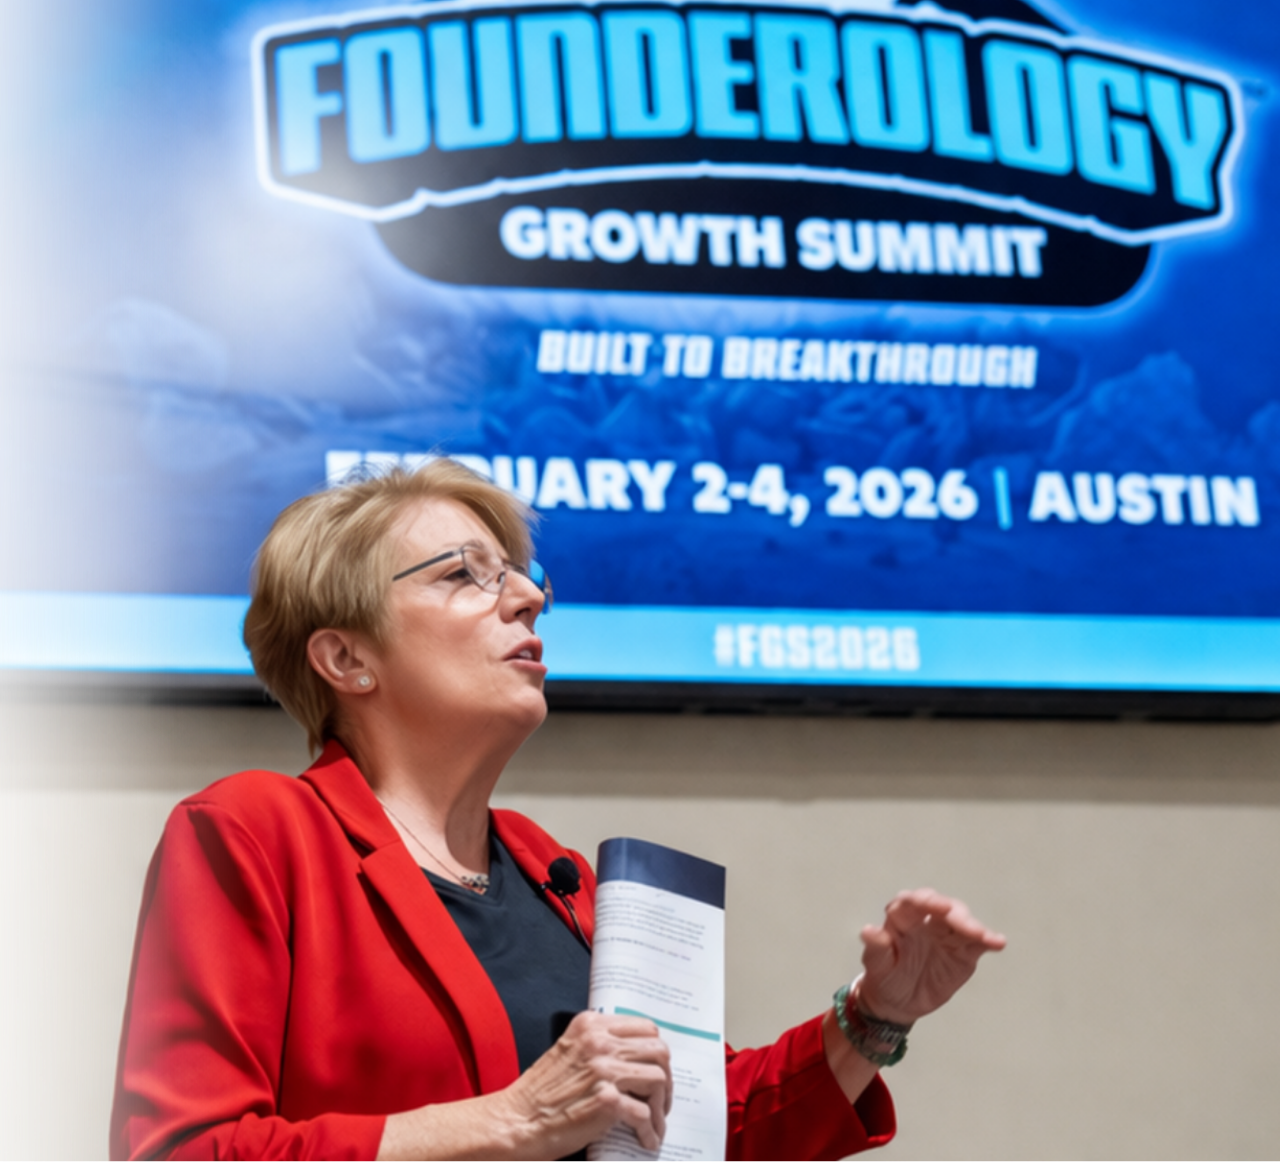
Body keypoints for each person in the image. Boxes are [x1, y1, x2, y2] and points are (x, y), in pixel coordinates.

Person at [110, 460, 1005, 1162]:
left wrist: (876, 1014)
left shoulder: (555, 871)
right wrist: (509, 1123)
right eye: (464, 574)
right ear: (347, 659)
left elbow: (698, 1131)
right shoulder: (256, 834)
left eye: (523, 575)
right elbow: (181, 1149)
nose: (529, 597)